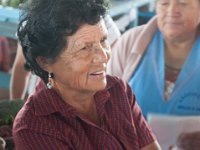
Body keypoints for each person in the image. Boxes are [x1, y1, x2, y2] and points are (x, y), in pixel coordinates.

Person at [12, 0, 160, 149]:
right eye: (84, 48)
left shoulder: (118, 90)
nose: (103, 56)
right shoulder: (34, 127)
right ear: (45, 62)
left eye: (103, 40)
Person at [107, 0, 200, 149]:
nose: (172, 11)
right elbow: (102, 110)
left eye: (183, 3)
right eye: (164, 3)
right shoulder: (129, 43)